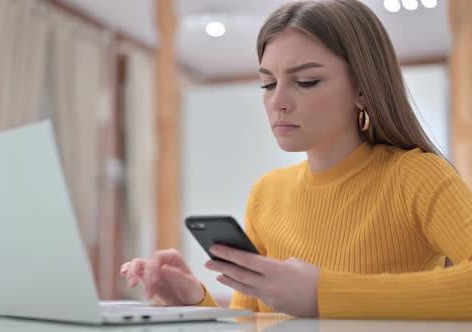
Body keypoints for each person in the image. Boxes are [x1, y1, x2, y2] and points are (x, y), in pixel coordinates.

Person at [120, 0, 472, 320]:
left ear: (363, 89)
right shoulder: (267, 194)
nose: (278, 102)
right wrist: (194, 303)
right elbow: (250, 325)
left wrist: (324, 294)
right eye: (268, 84)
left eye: (306, 81)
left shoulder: (417, 176)